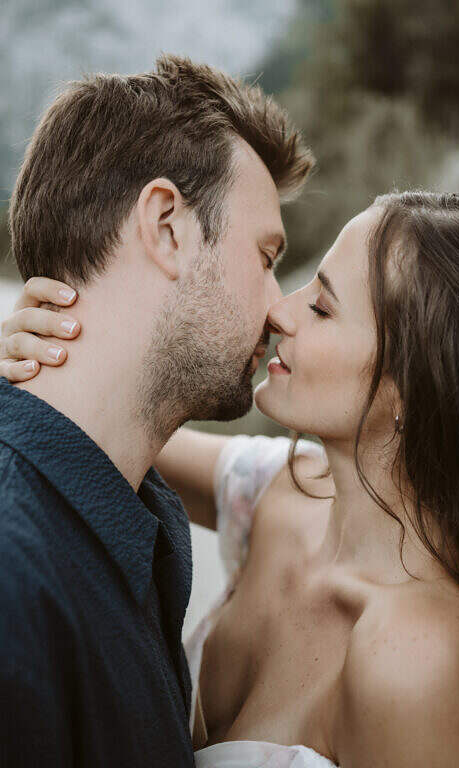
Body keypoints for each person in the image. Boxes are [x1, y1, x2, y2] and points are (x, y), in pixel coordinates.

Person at [3, 191, 459, 767]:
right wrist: (46, 350)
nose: (280, 312)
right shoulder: (279, 489)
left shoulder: (424, 662)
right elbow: (109, 428)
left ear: (413, 391)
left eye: (322, 308)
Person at [0, 53, 313, 766]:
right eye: (266, 257)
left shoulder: (132, 510)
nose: (280, 308)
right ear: (167, 223)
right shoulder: (15, 580)